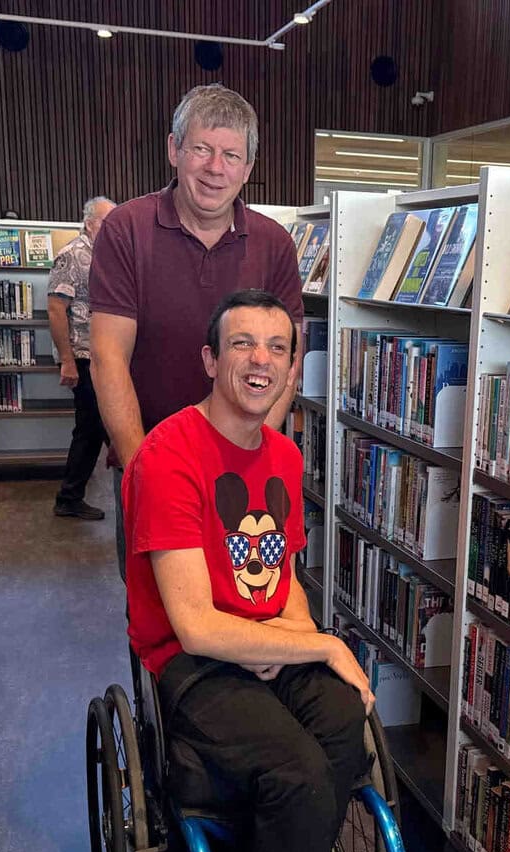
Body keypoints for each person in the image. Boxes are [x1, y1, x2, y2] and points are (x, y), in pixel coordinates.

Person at [123, 290, 374, 852]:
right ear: (210, 359)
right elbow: (194, 624)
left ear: (291, 365)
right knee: (297, 771)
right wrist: (316, 642)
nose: (260, 360)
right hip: (195, 664)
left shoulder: (285, 456)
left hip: (263, 643)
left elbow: (284, 579)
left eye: (276, 346)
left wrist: (303, 644)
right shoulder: (168, 455)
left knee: (346, 723)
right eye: (242, 344)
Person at [88, 84, 304, 567]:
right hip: (151, 465)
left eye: (232, 155)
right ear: (174, 150)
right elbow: (108, 358)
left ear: (248, 169)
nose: (215, 168)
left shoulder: (274, 245)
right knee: (157, 627)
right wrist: (145, 471)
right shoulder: (126, 229)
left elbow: (285, 367)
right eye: (202, 149)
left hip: (244, 479)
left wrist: (248, 461)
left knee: (249, 603)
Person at [48, 196, 116, 520]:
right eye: (107, 221)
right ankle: (69, 497)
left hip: (104, 354)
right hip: (83, 355)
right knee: (91, 425)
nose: (112, 228)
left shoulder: (108, 256)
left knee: (101, 422)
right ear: (90, 223)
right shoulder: (72, 256)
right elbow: (55, 308)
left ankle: (78, 492)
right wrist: (67, 360)